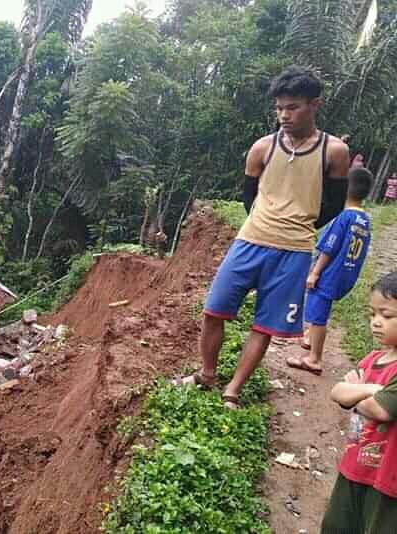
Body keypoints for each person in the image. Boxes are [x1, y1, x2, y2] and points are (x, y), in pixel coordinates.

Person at [175, 66, 350, 409]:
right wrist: (264, 221)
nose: (284, 115)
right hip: (250, 240)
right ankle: (207, 374)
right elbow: (248, 196)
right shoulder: (262, 148)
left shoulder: (334, 152)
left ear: (315, 105)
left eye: (293, 107)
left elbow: (333, 205)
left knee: (265, 325)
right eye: (279, 107)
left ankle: (233, 389)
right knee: (213, 311)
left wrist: (301, 225)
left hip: (295, 250)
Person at [321, 272, 397, 533]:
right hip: (356, 463)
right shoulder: (373, 358)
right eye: (372, 314)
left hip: (389, 479)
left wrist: (357, 392)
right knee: (336, 525)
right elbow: (338, 391)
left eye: (387, 316)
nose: (376, 322)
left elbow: (381, 409)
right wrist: (373, 389)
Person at [288, 168, 374, 375]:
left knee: (318, 314)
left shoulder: (343, 217)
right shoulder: (364, 220)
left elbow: (329, 248)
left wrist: (315, 272)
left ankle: (314, 359)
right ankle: (311, 337)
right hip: (346, 273)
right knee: (320, 311)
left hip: (329, 274)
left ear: (345, 189)